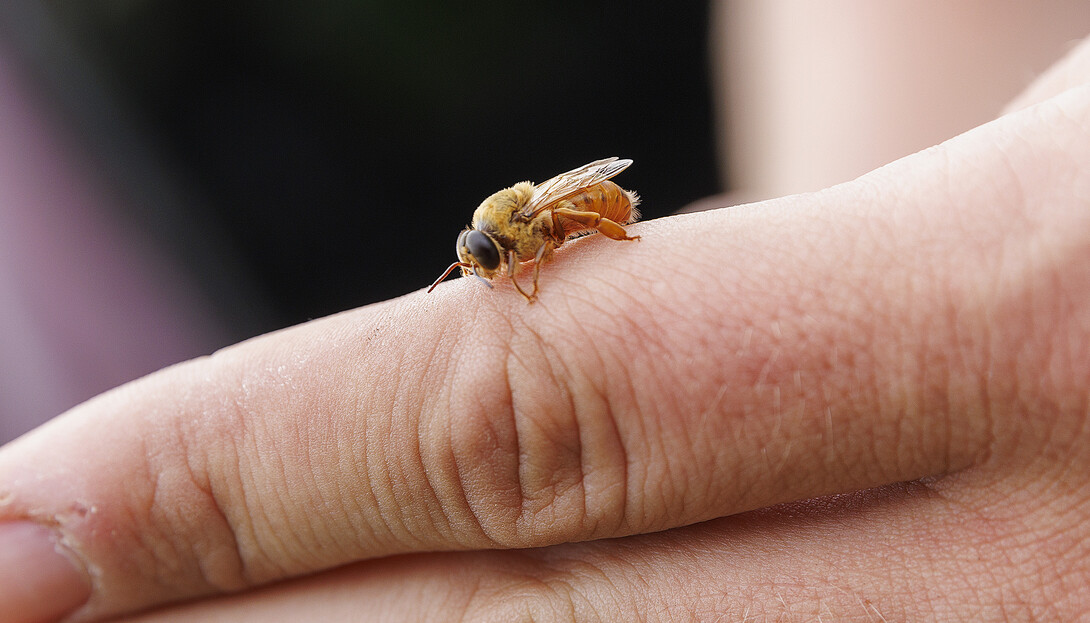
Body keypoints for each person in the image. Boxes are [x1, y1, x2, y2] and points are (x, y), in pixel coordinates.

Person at [4, 5, 1090, 621]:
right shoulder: (490, 247)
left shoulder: (525, 231)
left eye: (485, 262)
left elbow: (577, 215)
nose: (486, 274)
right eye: (480, 266)